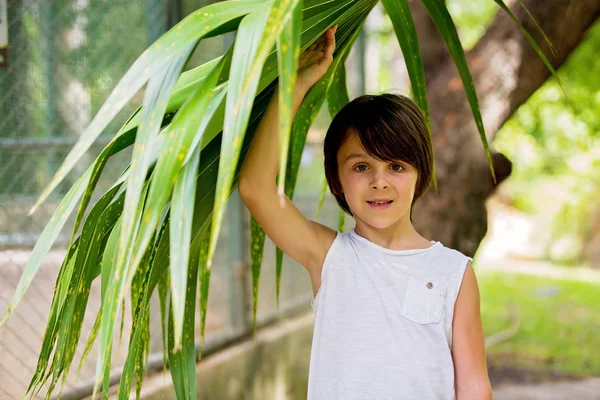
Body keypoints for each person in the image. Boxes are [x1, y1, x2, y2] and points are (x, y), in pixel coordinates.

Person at [238, 24, 492, 400]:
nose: (379, 181)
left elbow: (473, 387)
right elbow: (255, 187)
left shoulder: (454, 272)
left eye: (396, 166)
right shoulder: (328, 256)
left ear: (420, 172)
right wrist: (295, 83)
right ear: (336, 180)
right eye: (361, 167)